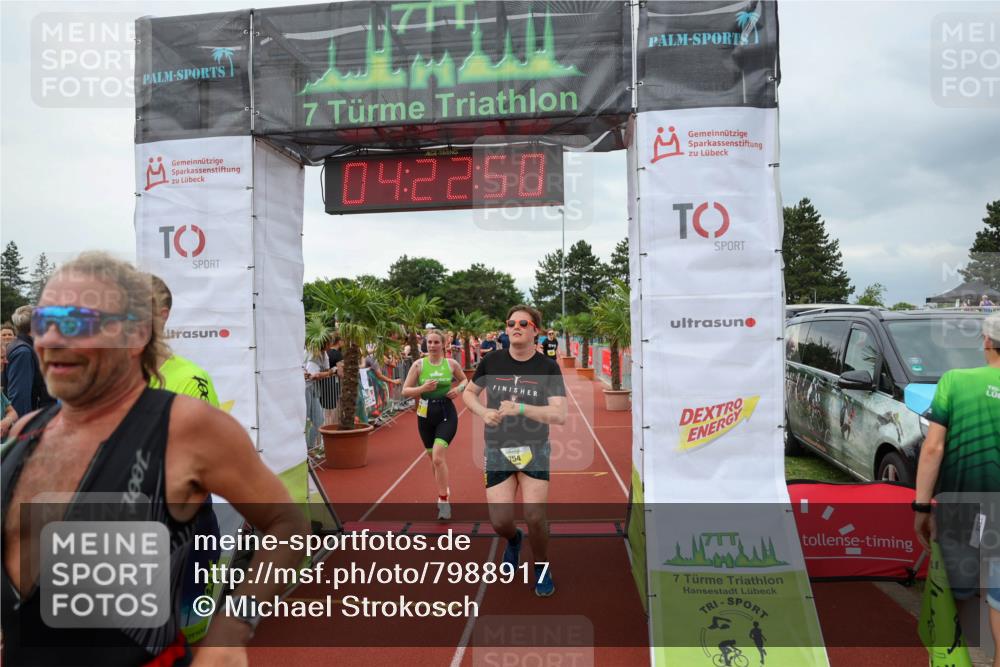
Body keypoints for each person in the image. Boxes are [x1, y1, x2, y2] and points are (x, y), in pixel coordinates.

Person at [0, 251, 308, 665]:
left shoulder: (185, 427)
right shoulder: (26, 430)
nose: (52, 338)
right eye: (44, 322)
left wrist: (231, 630)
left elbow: (288, 525)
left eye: (76, 322)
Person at [914, 312, 1000, 667]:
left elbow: (933, 448)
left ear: (986, 341)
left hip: (964, 504)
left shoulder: (955, 381)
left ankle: (965, 653)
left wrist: (921, 507)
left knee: (960, 588)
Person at [463, 305, 566, 597]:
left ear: (536, 330)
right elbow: (469, 393)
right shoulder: (491, 361)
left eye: (523, 323)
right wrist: (483, 412)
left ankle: (541, 567)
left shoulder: (548, 367)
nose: (516, 327)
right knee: (500, 522)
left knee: (535, 516)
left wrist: (521, 408)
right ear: (506, 329)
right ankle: (514, 539)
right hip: (497, 448)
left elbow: (559, 414)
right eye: (511, 323)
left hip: (535, 448)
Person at [401, 329, 468, 520]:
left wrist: (458, 389)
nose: (432, 346)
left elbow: (465, 380)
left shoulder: (451, 364)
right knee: (433, 460)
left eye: (436, 342)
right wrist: (422, 388)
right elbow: (405, 391)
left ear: (443, 344)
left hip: (446, 413)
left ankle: (443, 501)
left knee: (438, 457)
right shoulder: (418, 365)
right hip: (425, 414)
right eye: (429, 342)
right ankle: (443, 488)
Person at [4, 306, 55, 418]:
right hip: (31, 421)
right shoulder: (23, 352)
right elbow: (19, 396)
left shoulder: (24, 347)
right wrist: (22, 429)